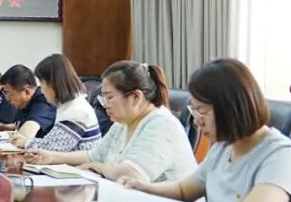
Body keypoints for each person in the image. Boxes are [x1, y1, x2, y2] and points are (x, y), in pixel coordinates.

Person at [121, 59, 291, 202]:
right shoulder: (223, 148)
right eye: (194, 110)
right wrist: (143, 188)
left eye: (202, 111)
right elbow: (183, 190)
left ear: (230, 108)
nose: (197, 120)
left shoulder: (283, 156)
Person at [25, 60, 196, 182]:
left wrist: (98, 167)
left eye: (109, 97)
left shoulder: (161, 124)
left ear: (135, 97)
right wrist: (51, 157)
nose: (104, 104)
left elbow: (133, 175)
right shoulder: (123, 123)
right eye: (103, 97)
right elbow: (94, 155)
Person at [11, 54, 101, 152]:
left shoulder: (77, 111)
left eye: (43, 83)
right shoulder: (70, 106)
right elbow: (50, 142)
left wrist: (26, 142)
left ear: (54, 84)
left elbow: (52, 149)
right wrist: (27, 141)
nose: (41, 90)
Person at [0, 64, 56, 140]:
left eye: (8, 92)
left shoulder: (44, 101)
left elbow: (24, 135)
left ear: (26, 92)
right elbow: (19, 125)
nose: (7, 98)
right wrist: (2, 127)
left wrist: (11, 136)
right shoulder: (24, 103)